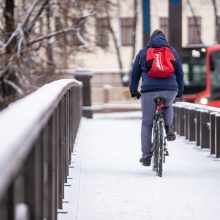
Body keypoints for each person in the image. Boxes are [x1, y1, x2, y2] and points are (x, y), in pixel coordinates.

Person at [129, 29, 184, 166]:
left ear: (151, 39)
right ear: (165, 39)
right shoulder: (172, 51)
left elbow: (135, 75)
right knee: (168, 105)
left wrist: (133, 90)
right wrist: (179, 92)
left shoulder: (143, 52)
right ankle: (169, 127)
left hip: (149, 91)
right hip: (170, 89)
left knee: (147, 123)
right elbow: (180, 74)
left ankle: (146, 156)